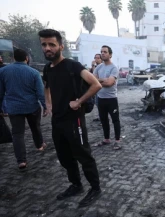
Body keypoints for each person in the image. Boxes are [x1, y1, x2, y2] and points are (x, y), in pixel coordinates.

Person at [39, 29, 102, 207]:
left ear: (61, 46)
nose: (47, 48)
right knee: (65, 156)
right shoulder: (47, 68)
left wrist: (79, 101)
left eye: (51, 44)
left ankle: (95, 188)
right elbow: (47, 87)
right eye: (44, 44)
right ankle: (76, 185)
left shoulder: (72, 66)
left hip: (75, 120)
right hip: (57, 121)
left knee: (83, 155)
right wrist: (48, 103)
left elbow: (95, 84)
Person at [0, 49, 47, 169]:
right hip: (32, 106)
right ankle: (39, 145)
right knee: (35, 127)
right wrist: (45, 106)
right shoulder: (34, 72)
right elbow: (40, 92)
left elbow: (0, 92)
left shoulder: (3, 71)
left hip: (13, 108)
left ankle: (21, 160)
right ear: (26, 58)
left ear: (13, 58)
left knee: (17, 134)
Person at [93, 45, 121, 150]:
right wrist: (102, 80)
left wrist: (98, 80)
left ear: (110, 54)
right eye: (101, 52)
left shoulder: (114, 68)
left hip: (111, 99)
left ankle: (117, 141)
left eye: (105, 51)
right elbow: (93, 81)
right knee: (103, 120)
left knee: (115, 120)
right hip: (101, 98)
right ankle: (106, 139)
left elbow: (109, 83)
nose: (102, 53)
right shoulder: (99, 67)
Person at [90, 54, 102, 122]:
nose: (96, 59)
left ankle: (102, 118)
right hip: (95, 89)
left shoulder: (102, 67)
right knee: (97, 104)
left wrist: (93, 66)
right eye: (95, 58)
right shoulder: (94, 67)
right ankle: (100, 117)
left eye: (98, 58)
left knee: (100, 104)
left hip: (101, 89)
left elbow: (95, 77)